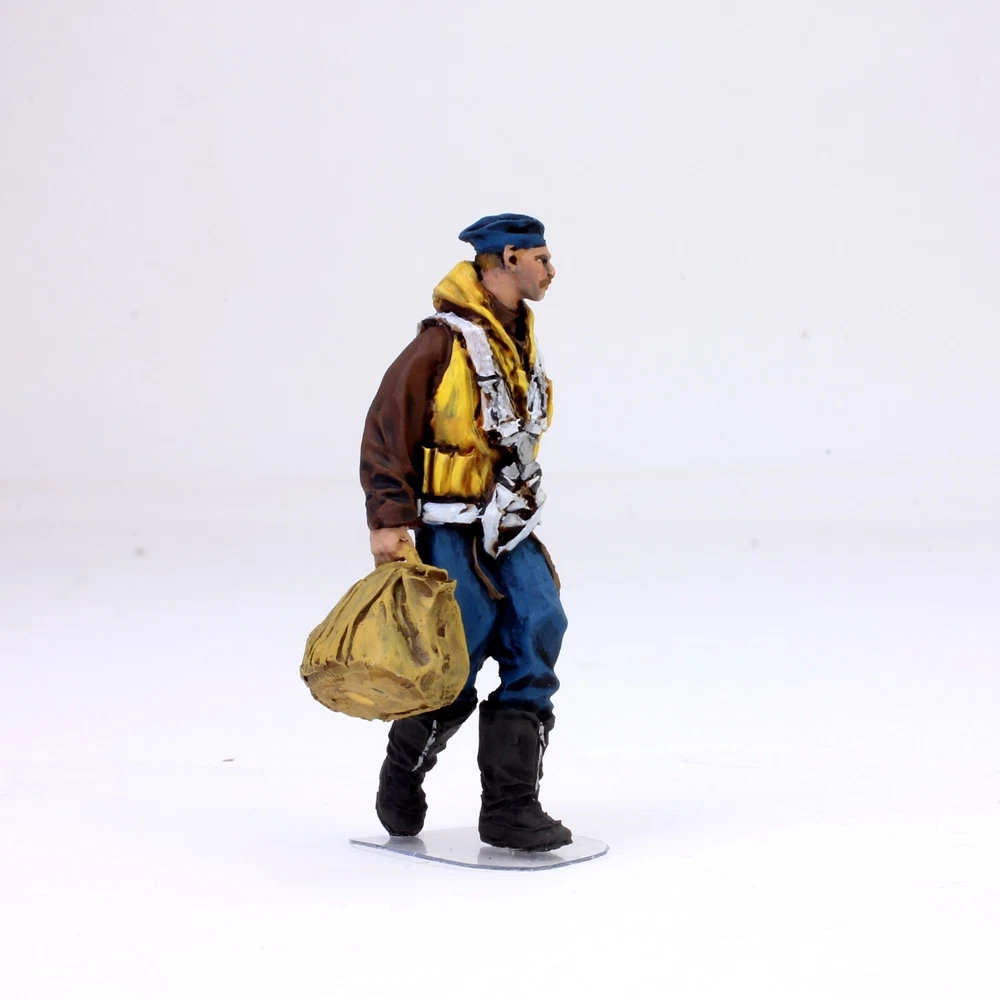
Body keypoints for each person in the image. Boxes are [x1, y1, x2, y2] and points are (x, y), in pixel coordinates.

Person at [359, 213, 572, 852]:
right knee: (455, 652)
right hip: (447, 528)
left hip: (510, 525)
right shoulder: (440, 343)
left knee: (539, 627)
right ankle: (404, 770)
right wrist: (389, 519)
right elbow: (387, 427)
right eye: (539, 258)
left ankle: (511, 806)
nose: (550, 269)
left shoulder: (519, 339)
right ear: (506, 259)